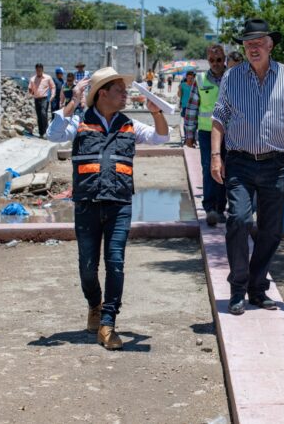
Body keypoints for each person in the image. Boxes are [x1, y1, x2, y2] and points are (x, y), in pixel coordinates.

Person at [46, 67, 170, 349]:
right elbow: (53, 135)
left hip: (119, 204)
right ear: (103, 94)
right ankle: (94, 304)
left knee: (115, 263)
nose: (125, 95)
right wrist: (73, 100)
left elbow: (161, 137)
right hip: (87, 205)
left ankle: (108, 323)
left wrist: (156, 112)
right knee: (88, 268)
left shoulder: (129, 125)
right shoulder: (79, 121)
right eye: (120, 91)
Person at [211, 18, 284, 315]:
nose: (253, 48)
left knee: (270, 229)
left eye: (258, 43)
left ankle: (257, 287)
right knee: (238, 220)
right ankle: (238, 288)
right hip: (239, 161)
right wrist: (216, 156)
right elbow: (219, 118)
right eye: (248, 43)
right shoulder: (232, 77)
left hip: (276, 163)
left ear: (270, 45)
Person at [193, 45, 227, 226]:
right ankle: (210, 208)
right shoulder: (200, 79)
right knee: (209, 168)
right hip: (206, 132)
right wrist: (189, 134)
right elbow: (192, 108)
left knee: (226, 169)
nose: (216, 63)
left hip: (230, 134)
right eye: (212, 60)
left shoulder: (233, 78)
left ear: (224, 59)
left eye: (219, 60)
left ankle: (221, 208)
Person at [28, 63, 56, 138]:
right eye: (37, 70)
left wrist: (52, 95)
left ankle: (46, 132)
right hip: (36, 99)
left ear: (42, 70)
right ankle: (41, 133)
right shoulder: (32, 79)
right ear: (36, 70)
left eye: (40, 70)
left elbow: (53, 87)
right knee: (39, 116)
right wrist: (30, 92)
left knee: (43, 113)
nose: (39, 72)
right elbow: (30, 89)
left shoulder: (48, 78)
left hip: (44, 98)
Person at [177, 71, 197, 144]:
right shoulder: (182, 85)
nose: (190, 79)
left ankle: (193, 138)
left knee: (195, 124)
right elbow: (179, 95)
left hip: (195, 106)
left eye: (191, 78)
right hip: (185, 106)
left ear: (194, 78)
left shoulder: (196, 85)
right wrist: (179, 89)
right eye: (188, 78)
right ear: (186, 77)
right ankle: (186, 138)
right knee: (186, 124)